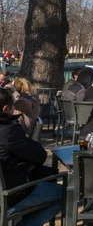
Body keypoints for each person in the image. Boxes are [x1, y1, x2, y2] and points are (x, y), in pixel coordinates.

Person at [0, 88, 63, 225]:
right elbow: (40, 156)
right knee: (66, 193)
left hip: (9, 192)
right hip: (9, 197)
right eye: (14, 107)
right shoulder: (9, 131)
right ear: (6, 108)